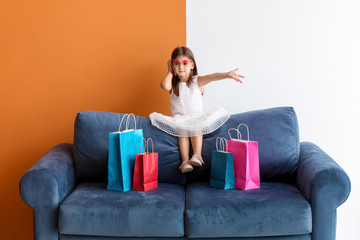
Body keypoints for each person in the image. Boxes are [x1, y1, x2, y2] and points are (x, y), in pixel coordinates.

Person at [149, 46, 245, 173]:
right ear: (172, 65)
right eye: (176, 64)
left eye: (185, 63)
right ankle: (184, 162)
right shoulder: (173, 84)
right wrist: (170, 72)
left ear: (192, 65)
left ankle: (197, 156)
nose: (181, 67)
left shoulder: (196, 81)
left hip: (195, 116)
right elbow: (164, 86)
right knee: (182, 131)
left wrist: (226, 75)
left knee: (196, 126)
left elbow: (211, 77)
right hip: (179, 118)